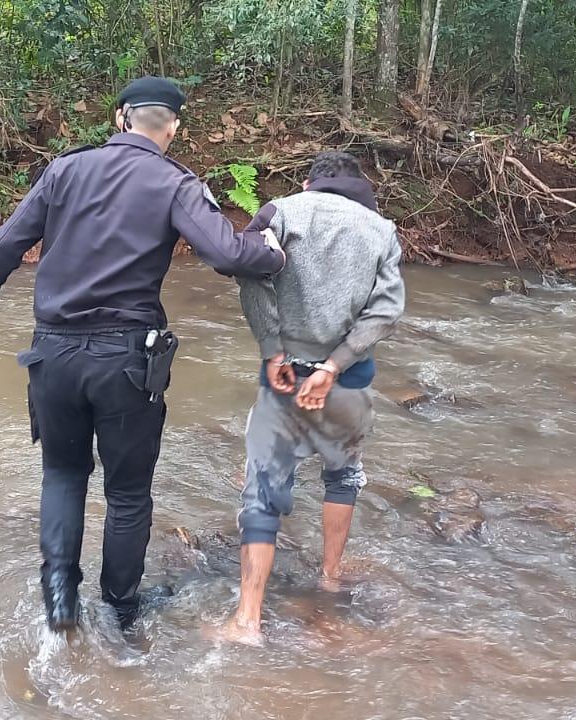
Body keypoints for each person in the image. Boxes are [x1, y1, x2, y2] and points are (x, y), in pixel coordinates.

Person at [0, 76, 285, 633]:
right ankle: (121, 611)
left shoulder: (65, 170)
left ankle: (60, 599)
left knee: (62, 474)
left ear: (120, 117)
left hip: (52, 353)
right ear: (173, 128)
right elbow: (227, 254)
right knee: (127, 493)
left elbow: (5, 242)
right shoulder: (175, 182)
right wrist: (271, 252)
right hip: (127, 361)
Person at [217, 151, 404, 645]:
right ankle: (330, 577)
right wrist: (334, 365)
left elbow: (251, 273)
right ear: (361, 186)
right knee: (342, 476)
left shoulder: (281, 211)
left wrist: (272, 349)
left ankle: (247, 621)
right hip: (349, 382)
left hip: (283, 378)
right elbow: (386, 311)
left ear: (308, 183)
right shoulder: (382, 230)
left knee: (262, 491)